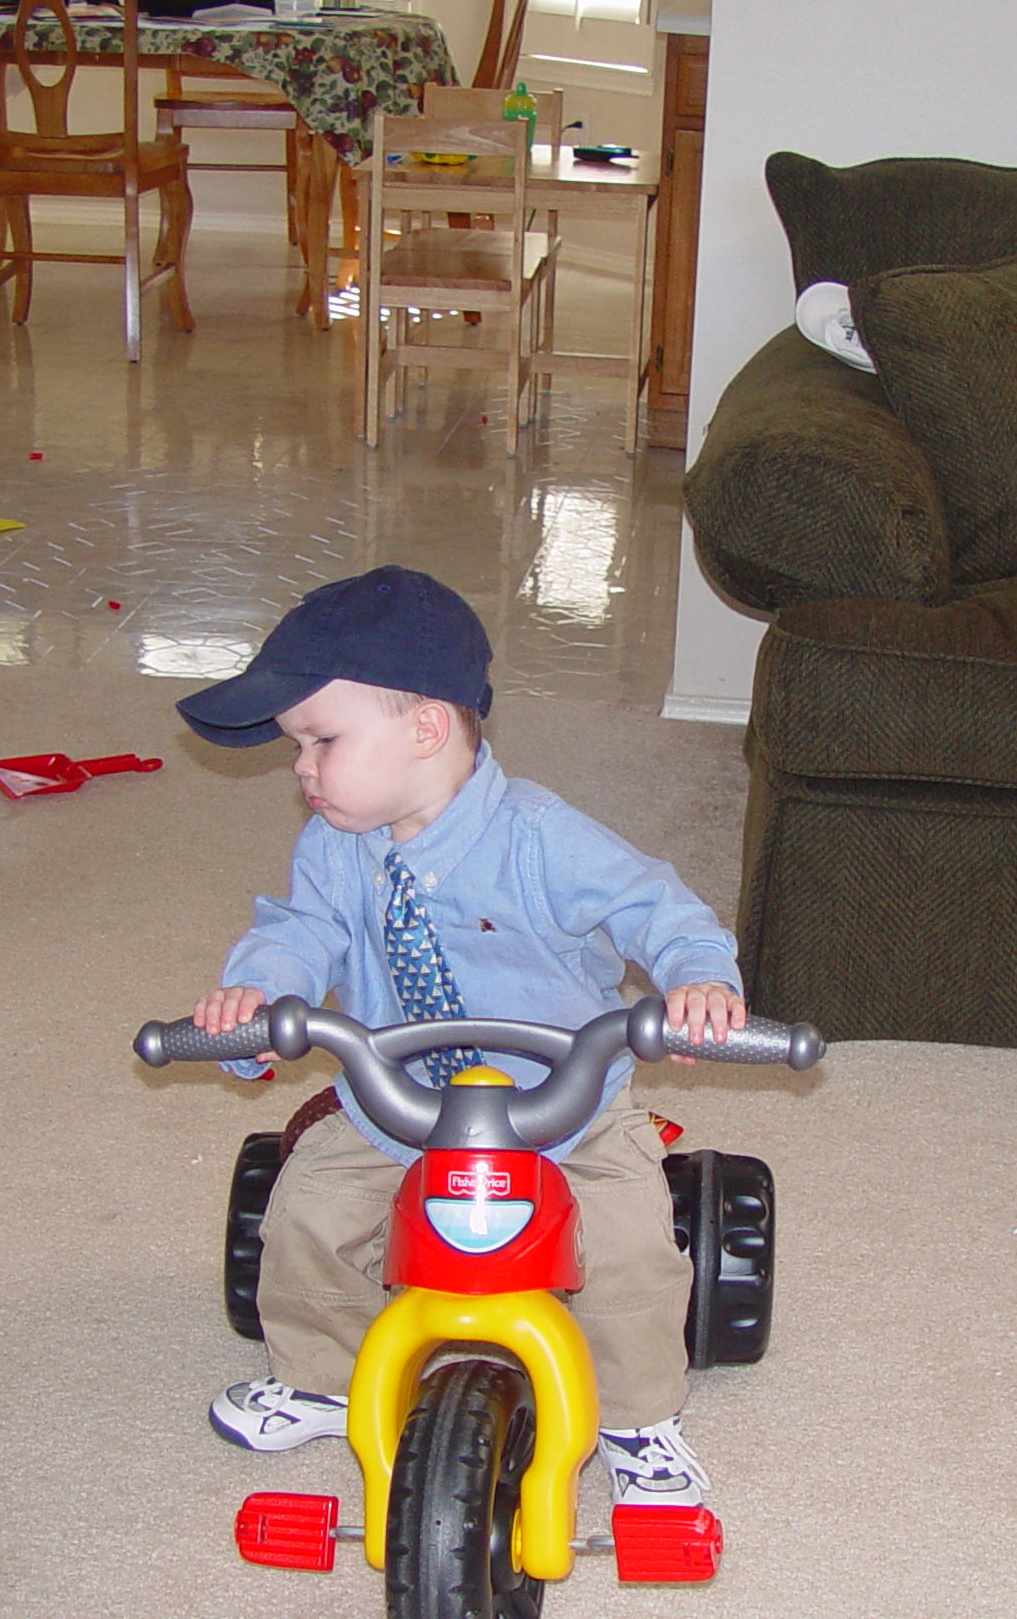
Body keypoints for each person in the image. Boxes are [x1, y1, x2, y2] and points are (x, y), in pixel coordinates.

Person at [179, 565, 746, 1505]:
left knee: (629, 1246)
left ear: (426, 728)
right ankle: (325, 1376)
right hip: (395, 1102)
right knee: (310, 1211)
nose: (301, 769)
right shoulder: (334, 846)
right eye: (297, 747)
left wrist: (697, 978)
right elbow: (299, 932)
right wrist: (256, 997)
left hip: (561, 1108)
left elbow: (654, 905)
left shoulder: (538, 838)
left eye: (320, 740)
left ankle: (637, 1418)